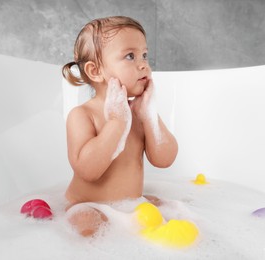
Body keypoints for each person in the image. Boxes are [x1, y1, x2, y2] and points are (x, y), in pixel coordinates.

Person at [62, 16, 178, 237]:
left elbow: (164, 159)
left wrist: (150, 115)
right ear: (96, 71)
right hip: (87, 205)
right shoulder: (83, 115)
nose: (143, 64)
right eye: (130, 56)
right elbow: (88, 170)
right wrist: (117, 122)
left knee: (168, 208)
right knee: (85, 224)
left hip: (129, 206)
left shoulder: (139, 114)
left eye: (144, 55)